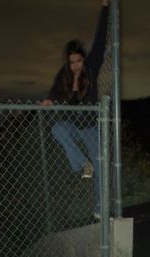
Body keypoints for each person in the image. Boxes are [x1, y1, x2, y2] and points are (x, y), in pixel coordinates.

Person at [41, 0, 110, 219]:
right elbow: (53, 92)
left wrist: (105, 8)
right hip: (72, 124)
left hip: (90, 127)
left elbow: (100, 38)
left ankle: (99, 208)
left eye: (78, 61)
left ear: (83, 59)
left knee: (100, 167)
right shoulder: (64, 75)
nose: (76, 66)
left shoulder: (91, 66)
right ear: (68, 63)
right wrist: (49, 100)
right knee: (57, 130)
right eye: (72, 63)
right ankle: (82, 165)